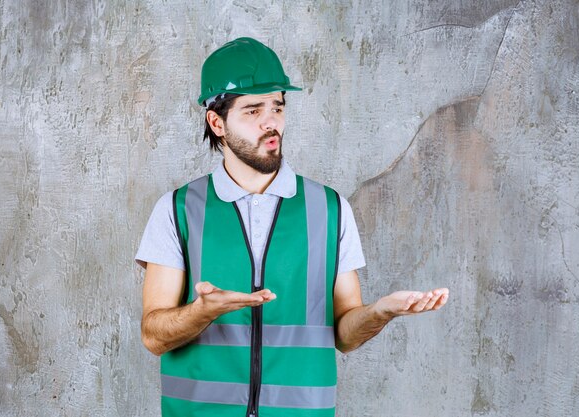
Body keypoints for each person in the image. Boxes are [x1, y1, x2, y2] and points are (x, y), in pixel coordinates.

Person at [136, 37, 449, 417]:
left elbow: (345, 335)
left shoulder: (330, 209)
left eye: (278, 107)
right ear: (217, 122)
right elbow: (154, 336)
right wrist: (203, 311)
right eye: (253, 110)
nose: (271, 122)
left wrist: (380, 312)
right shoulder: (177, 210)